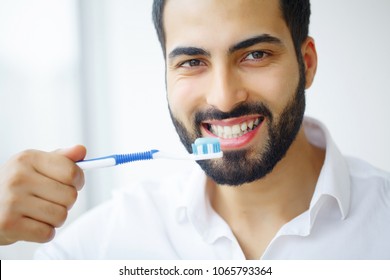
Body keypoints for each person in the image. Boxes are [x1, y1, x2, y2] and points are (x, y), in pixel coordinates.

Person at [1, 0, 389, 259]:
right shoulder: (96, 248)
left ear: (307, 62)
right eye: (192, 61)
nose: (223, 98)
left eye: (255, 55)